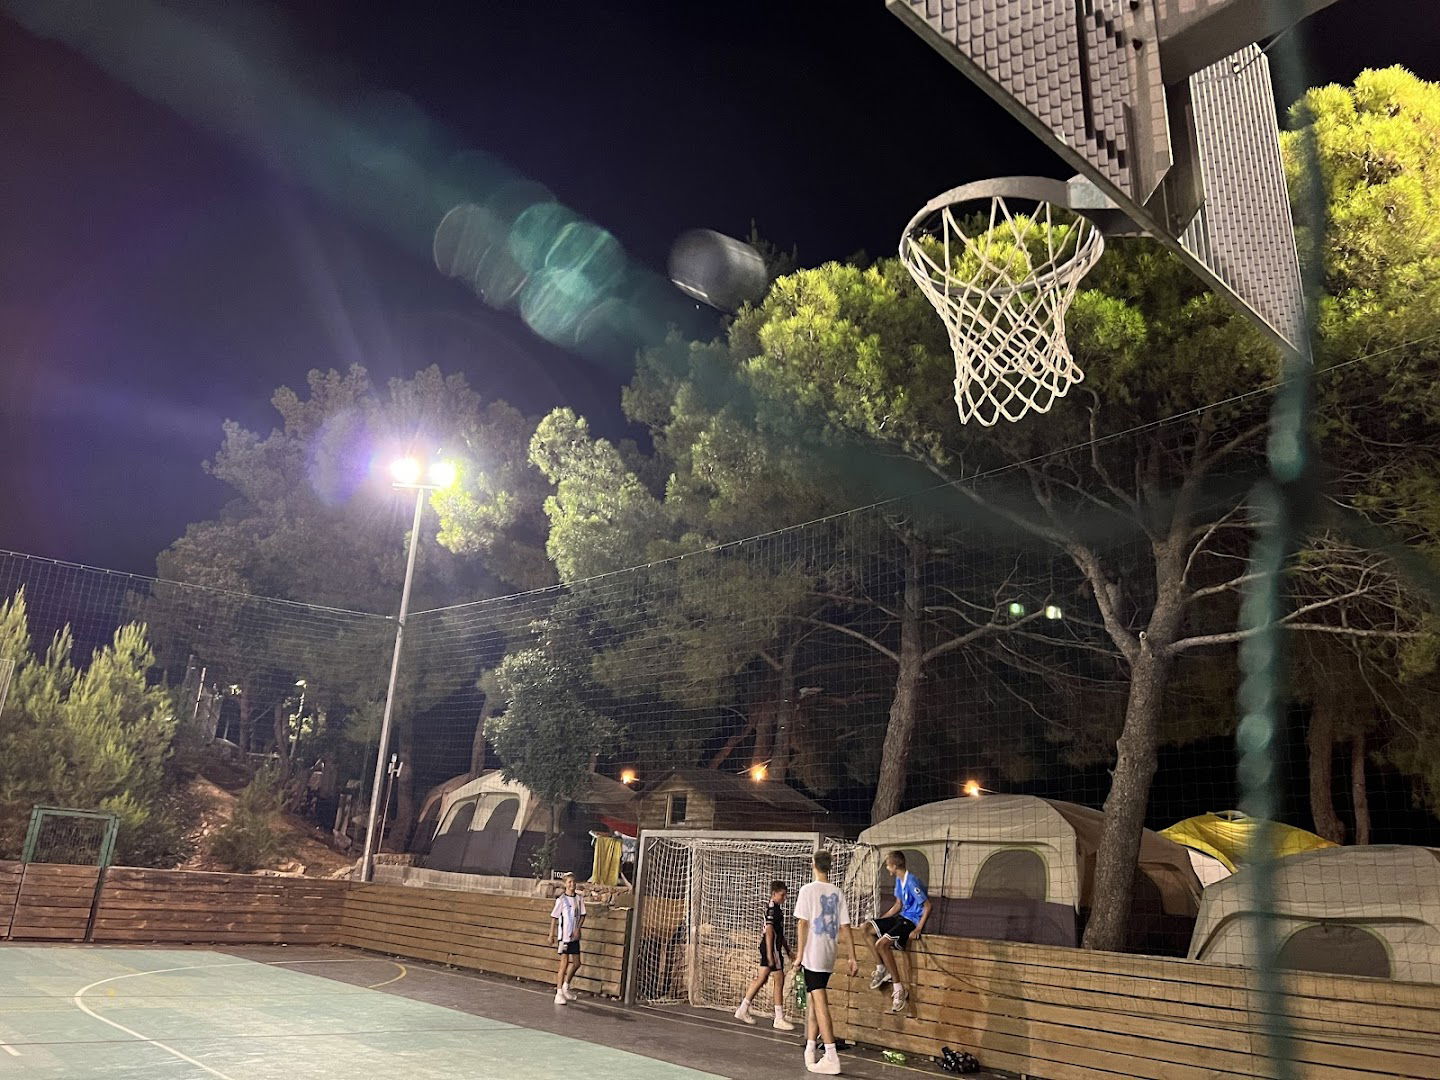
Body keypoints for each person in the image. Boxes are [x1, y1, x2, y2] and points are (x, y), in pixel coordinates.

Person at [793, 850, 857, 1075]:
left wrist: (799, 955)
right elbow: (845, 927)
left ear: (813, 864)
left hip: (813, 954)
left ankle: (831, 1055)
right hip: (829, 953)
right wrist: (852, 956)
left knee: (820, 1004)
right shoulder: (837, 892)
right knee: (814, 999)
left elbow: (802, 924)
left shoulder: (807, 890)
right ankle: (810, 1047)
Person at [862, 850, 931, 1013]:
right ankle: (881, 968)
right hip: (901, 917)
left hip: (911, 921)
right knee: (866, 928)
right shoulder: (899, 880)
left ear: (894, 866)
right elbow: (898, 905)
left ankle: (898, 988)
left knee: (881, 944)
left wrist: (919, 928)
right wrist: (881, 921)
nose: (887, 868)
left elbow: (928, 906)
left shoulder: (912, 882)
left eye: (887, 865)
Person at [734, 880, 795, 1030]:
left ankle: (742, 1009)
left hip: (773, 947)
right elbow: (769, 931)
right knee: (779, 979)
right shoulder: (772, 910)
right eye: (782, 895)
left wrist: (788, 951)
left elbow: (779, 933)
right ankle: (778, 1018)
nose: (784, 898)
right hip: (771, 948)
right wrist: (770, 953)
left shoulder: (777, 909)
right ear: (774, 894)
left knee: (762, 978)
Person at [548, 873, 586, 1004]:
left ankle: (566, 986)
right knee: (564, 963)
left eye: (574, 882)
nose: (572, 884)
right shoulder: (562, 900)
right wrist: (551, 934)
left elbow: (582, 915)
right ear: (565, 884)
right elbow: (554, 917)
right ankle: (558, 993)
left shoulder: (579, 899)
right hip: (564, 937)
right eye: (569, 882)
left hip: (574, 937)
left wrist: (578, 929)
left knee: (577, 963)